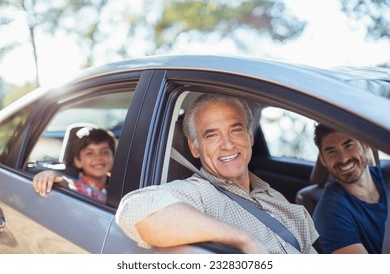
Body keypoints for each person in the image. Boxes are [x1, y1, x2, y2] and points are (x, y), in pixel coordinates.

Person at [115, 94, 318, 254]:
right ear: (195, 147)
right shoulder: (200, 193)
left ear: (249, 137)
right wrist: (243, 239)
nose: (228, 145)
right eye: (212, 135)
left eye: (235, 130)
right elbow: (135, 210)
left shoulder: (274, 195)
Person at [312, 124, 388, 254]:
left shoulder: (387, 174)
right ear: (323, 159)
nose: (343, 158)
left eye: (348, 145)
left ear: (365, 145)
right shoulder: (328, 214)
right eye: (331, 151)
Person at [32, 127, 116, 202]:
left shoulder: (118, 184)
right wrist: (50, 174)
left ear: (113, 157)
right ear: (78, 161)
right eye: (89, 153)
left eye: (105, 152)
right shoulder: (77, 187)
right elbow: (65, 183)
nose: (98, 157)